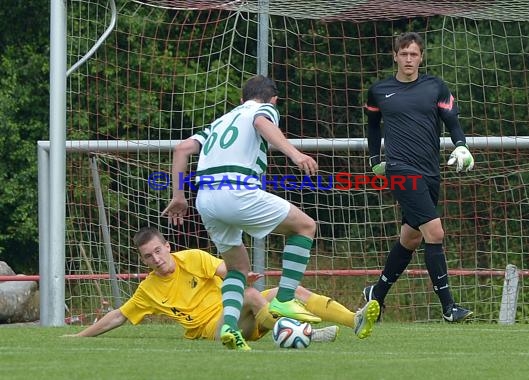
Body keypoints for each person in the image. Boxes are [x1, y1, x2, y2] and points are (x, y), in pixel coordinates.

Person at [162, 75, 345, 349]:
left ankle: (228, 327)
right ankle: (284, 298)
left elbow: (182, 148)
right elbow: (261, 122)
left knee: (237, 268)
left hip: (205, 199)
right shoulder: (264, 109)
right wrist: (296, 155)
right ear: (274, 100)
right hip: (236, 190)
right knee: (305, 226)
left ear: (240, 99)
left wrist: (178, 195)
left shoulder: (221, 120)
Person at [63, 227, 380, 348]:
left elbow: (224, 268)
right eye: (148, 256)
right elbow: (119, 315)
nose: (156, 259)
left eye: (159, 251)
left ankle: (355, 320)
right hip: (217, 329)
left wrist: (243, 275)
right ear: (143, 260)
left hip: (244, 311)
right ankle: (301, 334)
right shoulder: (148, 290)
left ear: (168, 247)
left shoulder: (192, 258)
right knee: (250, 296)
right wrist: (79, 336)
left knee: (290, 289)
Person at [362, 32, 474, 323]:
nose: (408, 59)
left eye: (414, 54)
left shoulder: (435, 86)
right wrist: (376, 159)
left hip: (430, 171)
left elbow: (452, 121)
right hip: (400, 170)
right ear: (395, 56)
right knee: (434, 232)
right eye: (403, 54)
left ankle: (377, 292)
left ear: (421, 57)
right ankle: (449, 307)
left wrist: (461, 144)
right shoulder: (379, 90)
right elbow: (373, 127)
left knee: (411, 238)